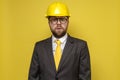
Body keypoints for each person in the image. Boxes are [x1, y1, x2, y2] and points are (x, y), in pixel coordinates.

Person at [28, 2, 91, 80]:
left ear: (68, 21)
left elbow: (85, 78)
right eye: (54, 19)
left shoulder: (81, 46)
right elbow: (32, 77)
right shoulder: (39, 47)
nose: (58, 23)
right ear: (49, 23)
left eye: (62, 19)